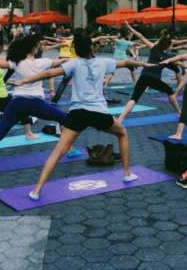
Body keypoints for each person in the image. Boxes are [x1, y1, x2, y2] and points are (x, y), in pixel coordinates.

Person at [8, 34, 149, 201]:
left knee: (58, 152)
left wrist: (24, 81)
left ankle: (36, 190)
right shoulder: (103, 62)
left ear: (76, 49)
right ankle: (127, 174)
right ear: (92, 47)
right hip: (99, 113)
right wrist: (143, 64)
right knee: (122, 133)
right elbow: (126, 63)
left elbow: (50, 73)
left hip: (78, 113)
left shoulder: (74, 63)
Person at [0, 35, 70, 164]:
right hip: (36, 103)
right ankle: (70, 149)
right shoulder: (43, 62)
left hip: (17, 103)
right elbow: (60, 62)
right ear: (33, 49)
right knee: (65, 119)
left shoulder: (17, 62)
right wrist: (73, 59)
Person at [116, 24, 181, 123]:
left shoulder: (154, 47)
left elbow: (141, 36)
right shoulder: (167, 57)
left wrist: (129, 26)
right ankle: (179, 112)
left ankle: (120, 118)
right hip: (154, 79)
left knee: (134, 98)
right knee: (170, 92)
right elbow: (179, 63)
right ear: (167, 46)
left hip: (144, 77)